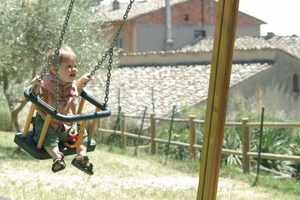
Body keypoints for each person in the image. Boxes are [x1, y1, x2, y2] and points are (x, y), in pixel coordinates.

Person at [31, 46, 94, 174]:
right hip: (47, 123)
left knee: (82, 134)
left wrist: (82, 80)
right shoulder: (47, 82)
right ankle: (57, 158)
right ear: (54, 70)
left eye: (74, 65)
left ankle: (81, 156)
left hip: (67, 124)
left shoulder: (70, 84)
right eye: (69, 66)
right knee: (48, 140)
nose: (74, 69)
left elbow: (76, 85)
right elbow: (35, 94)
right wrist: (35, 85)